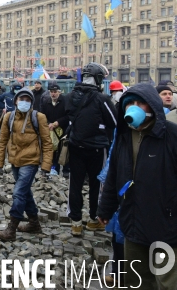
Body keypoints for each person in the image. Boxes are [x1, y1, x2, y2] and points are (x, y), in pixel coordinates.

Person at [97, 84, 177, 289]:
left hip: (166, 225)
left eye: (140, 103)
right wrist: (106, 208)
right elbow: (114, 173)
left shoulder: (171, 134)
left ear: (152, 105)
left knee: (167, 281)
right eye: (129, 103)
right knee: (137, 280)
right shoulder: (124, 136)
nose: (134, 107)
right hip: (132, 222)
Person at [65, 62, 117, 236]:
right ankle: (94, 219)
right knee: (97, 185)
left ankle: (76, 222)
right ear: (98, 79)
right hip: (96, 149)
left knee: (75, 184)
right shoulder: (101, 99)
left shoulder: (72, 95)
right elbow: (114, 122)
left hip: (75, 147)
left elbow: (70, 117)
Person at [0, 88, 53, 241]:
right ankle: (34, 224)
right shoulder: (9, 117)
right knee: (26, 193)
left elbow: (47, 143)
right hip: (14, 161)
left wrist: (46, 166)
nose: (24, 102)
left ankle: (11, 229)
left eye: (28, 100)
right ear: (15, 101)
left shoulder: (38, 117)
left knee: (19, 193)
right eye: (22, 99)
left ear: (32, 102)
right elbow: (2, 142)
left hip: (31, 161)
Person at [39, 80, 70, 177]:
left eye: (55, 92)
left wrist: (58, 122)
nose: (53, 94)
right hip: (50, 129)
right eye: (51, 92)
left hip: (63, 129)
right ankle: (53, 168)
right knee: (52, 150)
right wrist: (48, 124)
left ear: (59, 92)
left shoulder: (65, 101)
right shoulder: (46, 102)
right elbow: (42, 115)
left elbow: (69, 115)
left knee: (64, 149)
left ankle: (66, 170)